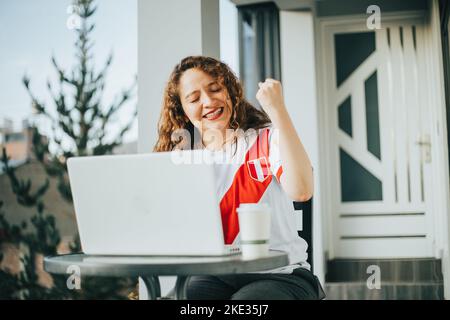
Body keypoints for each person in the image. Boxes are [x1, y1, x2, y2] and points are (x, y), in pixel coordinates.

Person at [153, 56, 325, 300]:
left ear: (231, 92)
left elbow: (302, 191)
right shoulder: (183, 158)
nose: (209, 101)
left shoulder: (266, 141)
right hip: (214, 275)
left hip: (281, 275)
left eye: (215, 89)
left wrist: (277, 110)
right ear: (182, 110)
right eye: (194, 98)